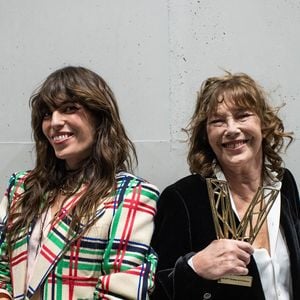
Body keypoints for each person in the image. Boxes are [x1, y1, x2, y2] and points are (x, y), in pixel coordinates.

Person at [0, 66, 159, 299]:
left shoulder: (131, 193)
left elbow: (122, 291)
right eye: (46, 113)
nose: (54, 122)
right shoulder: (22, 187)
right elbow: (2, 267)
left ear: (99, 117)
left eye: (69, 109)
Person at [151, 72, 300, 300]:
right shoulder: (182, 198)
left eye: (242, 116)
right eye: (217, 121)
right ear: (206, 134)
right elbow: (157, 289)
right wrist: (194, 267)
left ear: (263, 123)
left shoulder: (283, 183)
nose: (231, 129)